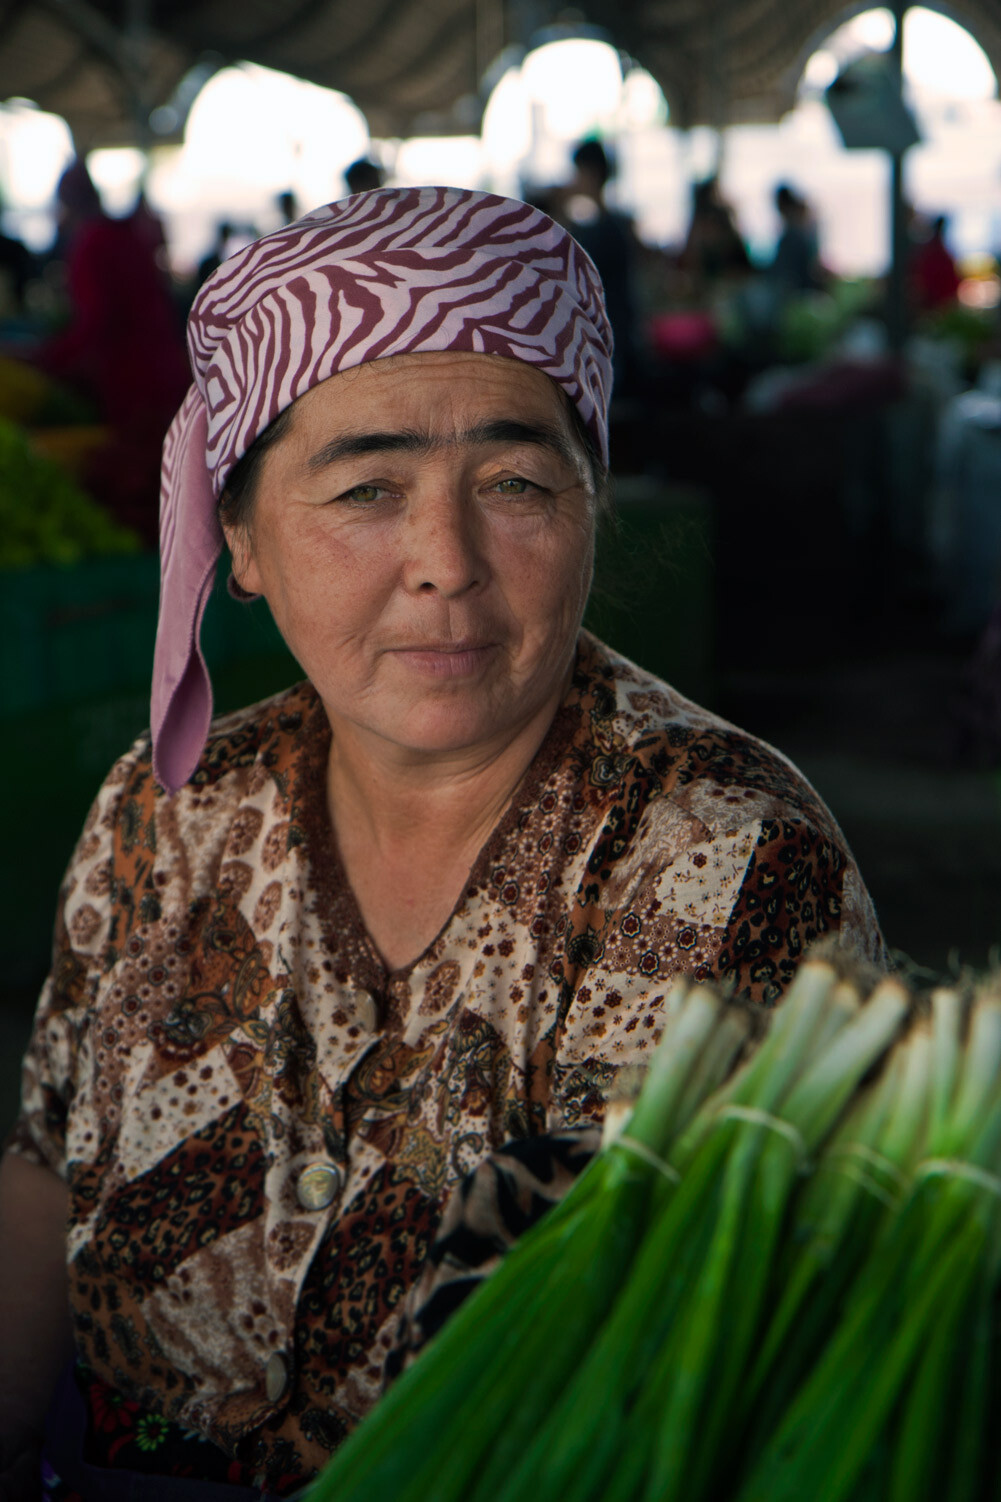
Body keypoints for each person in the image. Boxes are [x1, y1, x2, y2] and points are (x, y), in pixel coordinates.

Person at [0, 186, 885, 1500]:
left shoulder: (723, 857)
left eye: (516, 480)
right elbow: (47, 1175)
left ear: (591, 502)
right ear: (238, 536)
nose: (445, 561)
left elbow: (693, 1379)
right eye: (364, 487)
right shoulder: (166, 806)